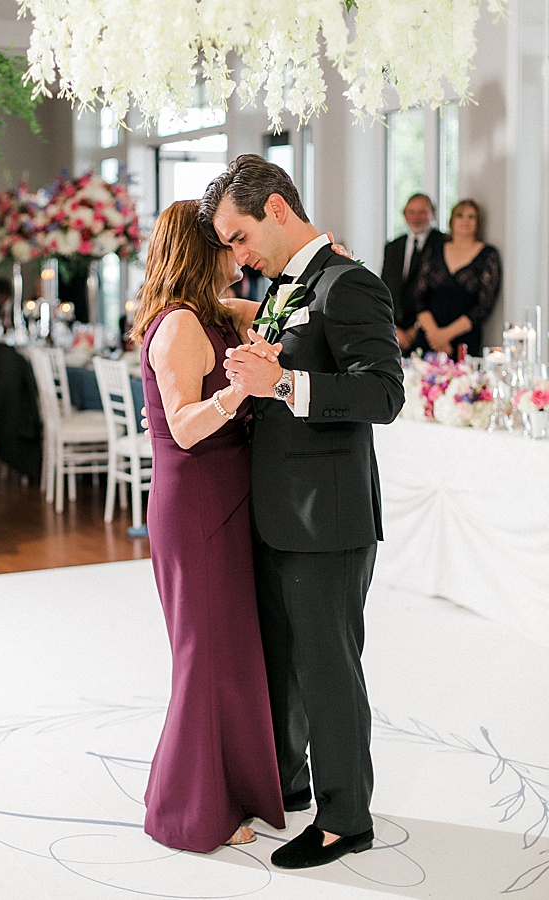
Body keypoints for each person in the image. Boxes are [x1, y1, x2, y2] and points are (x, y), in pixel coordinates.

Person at [202, 154, 405, 869]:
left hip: (330, 517)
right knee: (282, 666)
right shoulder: (289, 287)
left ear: (278, 210)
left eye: (238, 236)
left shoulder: (350, 285)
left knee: (328, 671)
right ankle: (288, 787)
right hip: (280, 511)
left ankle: (346, 818)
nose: (238, 254)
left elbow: (384, 394)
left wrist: (285, 382)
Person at [127, 200, 284, 852]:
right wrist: (239, 390)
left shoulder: (212, 312)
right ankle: (184, 811)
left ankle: (224, 791)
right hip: (196, 509)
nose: (239, 255)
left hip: (224, 500)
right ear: (202, 250)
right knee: (203, 658)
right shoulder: (181, 327)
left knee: (225, 657)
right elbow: (186, 427)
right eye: (228, 243)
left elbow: (280, 309)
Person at [408, 199, 501, 360]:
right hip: (429, 336)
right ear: (452, 220)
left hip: (464, 339)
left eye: (471, 217)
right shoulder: (435, 251)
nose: (465, 220)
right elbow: (418, 297)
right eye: (460, 215)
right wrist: (435, 335)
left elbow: (484, 306)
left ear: (478, 222)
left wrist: (446, 335)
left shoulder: (488, 255)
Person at [381, 193, 445, 351]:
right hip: (395, 333)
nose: (416, 217)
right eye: (411, 212)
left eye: (422, 212)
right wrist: (394, 327)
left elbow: (440, 291)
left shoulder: (443, 244)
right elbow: (384, 288)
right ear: (404, 214)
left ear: (433, 215)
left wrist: (417, 327)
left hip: (429, 333)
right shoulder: (393, 247)